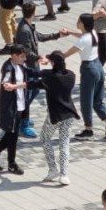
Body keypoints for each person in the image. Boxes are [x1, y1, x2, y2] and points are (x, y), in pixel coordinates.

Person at [59, 13, 106, 141]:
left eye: (78, 20)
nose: (77, 22)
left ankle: (88, 130)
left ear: (83, 24)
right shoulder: (93, 33)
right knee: (97, 100)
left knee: (86, 101)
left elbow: (66, 54)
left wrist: (49, 58)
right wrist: (70, 32)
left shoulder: (83, 40)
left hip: (89, 70)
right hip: (98, 67)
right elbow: (82, 35)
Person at [0, 45, 34, 175]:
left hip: (20, 105)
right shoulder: (8, 67)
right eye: (22, 56)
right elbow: (5, 81)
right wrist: (7, 85)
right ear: (14, 56)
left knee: (12, 134)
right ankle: (11, 163)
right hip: (11, 107)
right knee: (12, 135)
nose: (24, 59)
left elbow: (29, 72)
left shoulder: (21, 65)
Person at [15, 0, 60, 139]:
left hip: (33, 66)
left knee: (33, 91)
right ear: (33, 13)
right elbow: (27, 51)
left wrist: (57, 35)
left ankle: (22, 116)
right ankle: (22, 123)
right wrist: (40, 58)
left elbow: (39, 36)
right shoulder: (24, 29)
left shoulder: (28, 25)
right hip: (28, 67)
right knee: (27, 96)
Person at [36, 52, 79, 185]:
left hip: (55, 116)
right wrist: (49, 63)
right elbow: (51, 73)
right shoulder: (71, 75)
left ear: (53, 63)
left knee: (45, 138)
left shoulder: (50, 78)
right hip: (69, 114)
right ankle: (64, 175)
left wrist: (16, 86)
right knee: (64, 143)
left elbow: (35, 80)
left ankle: (53, 169)